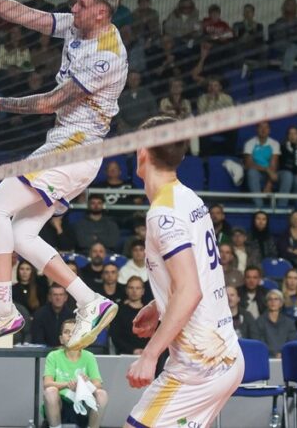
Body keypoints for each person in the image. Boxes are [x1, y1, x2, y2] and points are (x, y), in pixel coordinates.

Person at [0, 0, 128, 349]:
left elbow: (50, 103)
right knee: (21, 235)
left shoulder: (106, 55)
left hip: (74, 150)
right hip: (66, 146)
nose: (73, 8)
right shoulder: (79, 25)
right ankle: (91, 301)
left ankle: (3, 309)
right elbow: (28, 16)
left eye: (82, 4)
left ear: (101, 13)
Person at [125, 115, 244, 427]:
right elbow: (198, 272)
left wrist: (150, 354)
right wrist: (161, 304)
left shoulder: (163, 214)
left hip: (198, 368)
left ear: (142, 151)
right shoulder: (188, 197)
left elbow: (190, 290)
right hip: (223, 354)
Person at [43, 318, 109, 428]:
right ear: (61, 339)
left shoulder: (89, 357)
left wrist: (85, 384)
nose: (70, 335)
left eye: (75, 332)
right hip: (60, 402)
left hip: (84, 401)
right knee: (50, 391)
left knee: (102, 394)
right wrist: (68, 385)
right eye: (66, 332)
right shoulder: (53, 356)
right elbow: (47, 384)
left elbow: (98, 384)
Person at [243, 121, 281, 208]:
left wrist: (269, 184)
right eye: (261, 127)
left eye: (266, 127)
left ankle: (281, 207)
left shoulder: (275, 144)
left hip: (270, 173)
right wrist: (266, 169)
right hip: (257, 173)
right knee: (252, 172)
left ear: (269, 130)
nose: (263, 130)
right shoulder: (249, 143)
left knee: (286, 176)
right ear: (256, 129)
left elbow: (273, 167)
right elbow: (248, 164)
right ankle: (259, 207)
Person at [109, 275, 150, 354]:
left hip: (149, 353)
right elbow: (115, 336)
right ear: (126, 290)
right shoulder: (118, 311)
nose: (134, 291)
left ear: (143, 291)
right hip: (125, 354)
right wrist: (132, 350)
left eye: (138, 288)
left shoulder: (150, 311)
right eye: (131, 288)